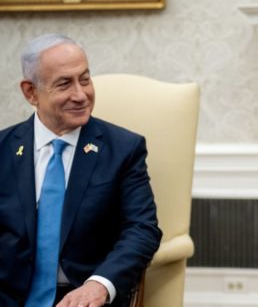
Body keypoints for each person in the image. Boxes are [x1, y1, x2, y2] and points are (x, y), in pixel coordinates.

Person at [0, 34, 162, 307]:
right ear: (30, 92)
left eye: (85, 80)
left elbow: (142, 229)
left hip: (84, 297)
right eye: (64, 84)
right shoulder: (3, 149)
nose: (80, 95)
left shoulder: (123, 149)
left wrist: (99, 285)